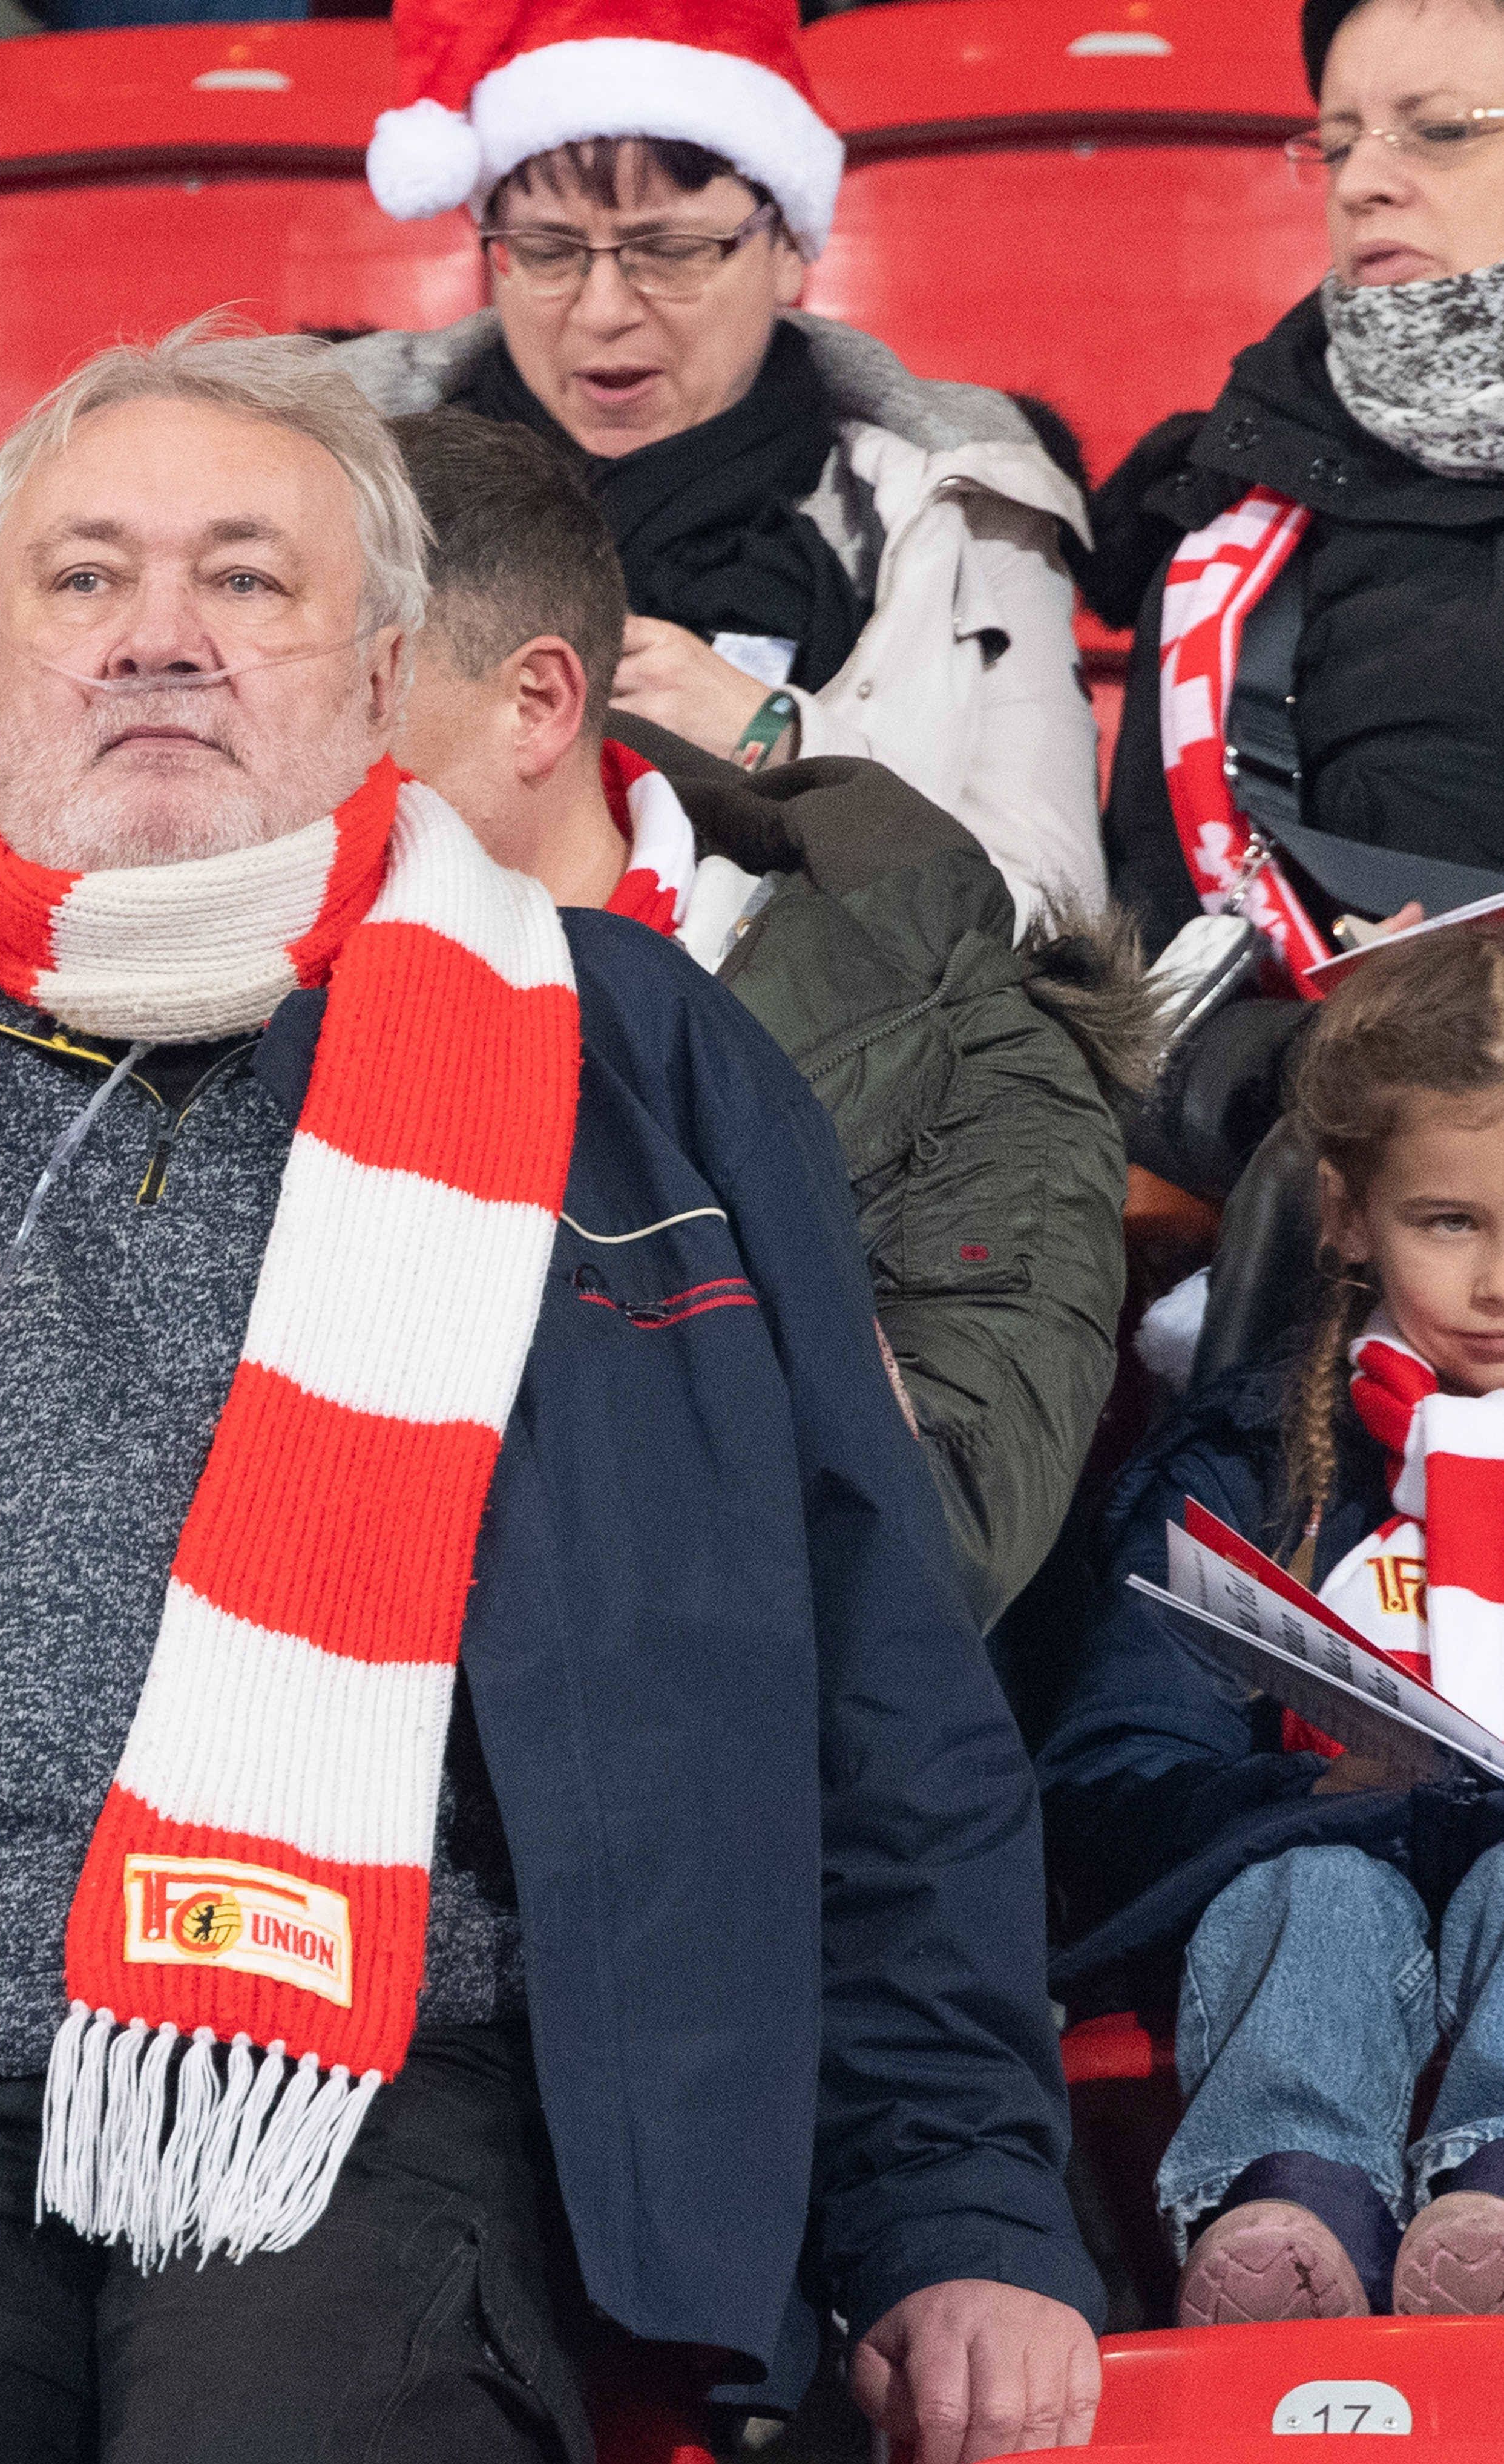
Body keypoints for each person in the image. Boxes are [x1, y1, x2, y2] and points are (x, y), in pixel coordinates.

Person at [0, 321, 1101, 2464]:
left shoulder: (637, 1059)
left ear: (388, 671)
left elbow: (873, 1677)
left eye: (246, 582)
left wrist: (958, 2205)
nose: (158, 644)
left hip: (402, 2083)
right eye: (85, 581)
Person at [389, 409, 1145, 1632]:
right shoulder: (252, 978)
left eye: (349, 690)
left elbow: (928, 1549)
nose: (255, 749)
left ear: (535, 702)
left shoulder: (956, 1034)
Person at [335, 0, 1103, 935]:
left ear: (788, 252)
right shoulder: (338, 487)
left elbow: (1058, 922)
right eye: (546, 252)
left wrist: (773, 733)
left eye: (671, 252)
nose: (605, 307)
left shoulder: (961, 501)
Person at [1039, 927, 1504, 2325]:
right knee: (1315, 1890)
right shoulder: (1249, 1461)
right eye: (1451, 1221)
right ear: (1348, 1216)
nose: (1497, 1281)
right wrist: (1307, 1789)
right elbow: (1118, 1749)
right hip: (1307, 1854)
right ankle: (1291, 2209)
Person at [1097, 0, 1504, 964]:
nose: (1362, 181)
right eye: (1334, 143)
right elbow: (1159, 982)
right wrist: (1351, 1058)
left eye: (1440, 132)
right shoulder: (1228, 540)